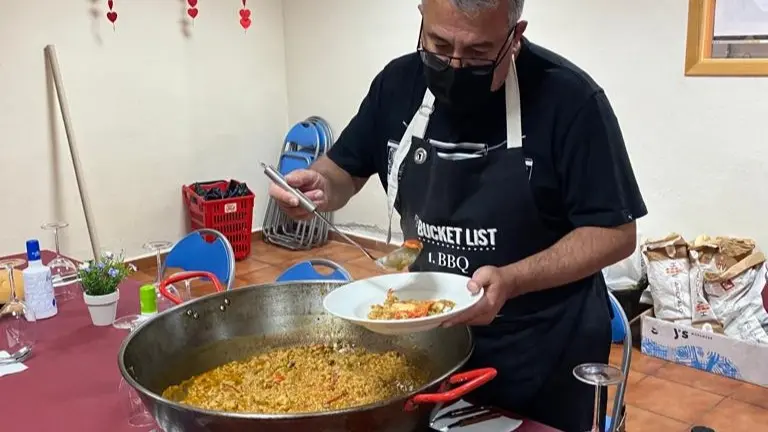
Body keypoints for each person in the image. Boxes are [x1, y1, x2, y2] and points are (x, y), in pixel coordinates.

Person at [268, 0, 647, 430]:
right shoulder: (396, 86)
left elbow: (615, 232)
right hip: (429, 340)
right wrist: (317, 186)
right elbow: (343, 173)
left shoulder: (571, 101)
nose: (454, 65)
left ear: (515, 36)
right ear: (421, 19)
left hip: (541, 353)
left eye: (478, 53)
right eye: (439, 44)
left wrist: (513, 279)